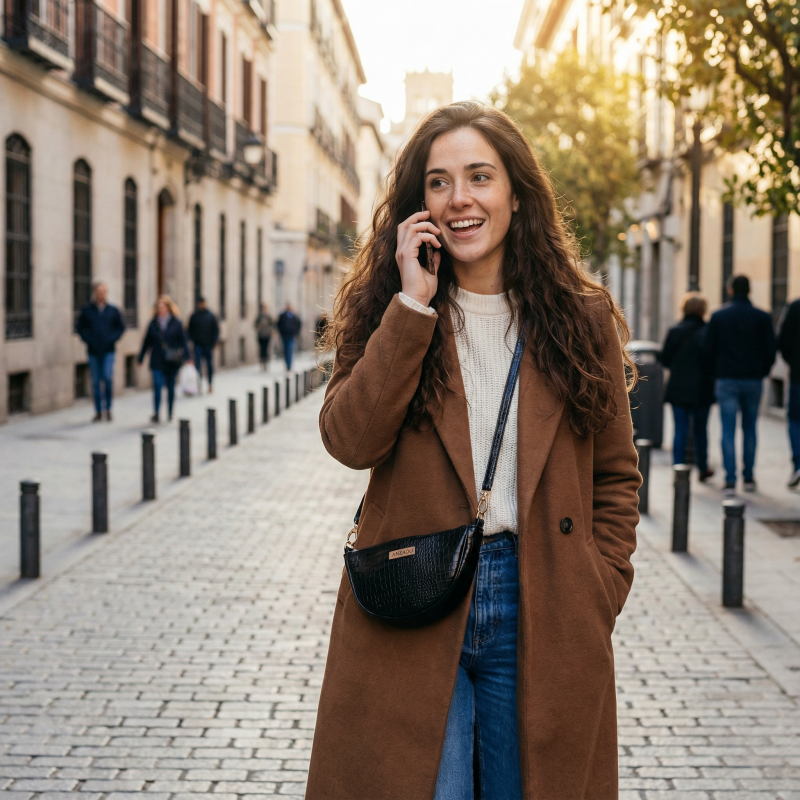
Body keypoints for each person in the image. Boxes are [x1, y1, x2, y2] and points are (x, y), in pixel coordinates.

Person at [306, 102, 640, 799]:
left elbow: (615, 476)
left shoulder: (579, 322)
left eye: (480, 176)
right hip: (413, 598)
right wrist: (412, 307)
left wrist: (597, 586)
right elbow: (349, 439)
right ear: (416, 204)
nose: (460, 199)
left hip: (544, 601)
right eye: (438, 182)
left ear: (516, 195)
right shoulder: (392, 309)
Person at [705, 274, 776, 494]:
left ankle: (730, 478)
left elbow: (708, 349)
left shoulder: (719, 316)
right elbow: (771, 351)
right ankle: (748, 478)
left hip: (726, 379)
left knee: (727, 430)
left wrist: (715, 372)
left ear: (730, 290)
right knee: (750, 428)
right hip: (753, 380)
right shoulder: (763, 317)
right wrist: (761, 371)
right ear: (749, 290)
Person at [659, 292, 715, 481]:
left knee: (680, 429)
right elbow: (712, 361)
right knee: (701, 430)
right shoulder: (708, 332)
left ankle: (678, 468)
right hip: (702, 388)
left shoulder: (675, 331)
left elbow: (665, 359)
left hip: (679, 387)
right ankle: (702, 468)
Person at [75, 281, 125, 422]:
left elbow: (121, 328)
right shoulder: (87, 310)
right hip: (93, 351)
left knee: (108, 378)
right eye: (98, 292)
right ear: (94, 293)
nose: (100, 294)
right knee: (96, 382)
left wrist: (112, 339)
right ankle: (98, 411)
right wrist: (88, 339)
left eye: (103, 291)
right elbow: (79, 328)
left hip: (109, 350)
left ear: (106, 293)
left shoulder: (112, 310)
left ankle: (108, 409)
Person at [137, 295, 189, 423]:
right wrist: (141, 357)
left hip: (172, 360)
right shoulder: (153, 323)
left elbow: (183, 341)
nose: (161, 310)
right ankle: (156, 412)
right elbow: (146, 341)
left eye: (163, 307)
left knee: (171, 387)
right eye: (159, 308)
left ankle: (170, 412)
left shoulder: (176, 323)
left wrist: (188, 357)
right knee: (157, 385)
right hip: (157, 359)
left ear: (169, 308)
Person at [778, 297, 800, 487]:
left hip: (798, 374)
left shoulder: (796, 306)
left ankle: (798, 464)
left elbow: (783, 339)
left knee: (795, 419)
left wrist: (792, 361)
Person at [187, 297, 219, 393]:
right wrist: (193, 339)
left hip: (208, 345)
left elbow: (216, 330)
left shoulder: (210, 316)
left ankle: (210, 383)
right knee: (198, 366)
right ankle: (199, 384)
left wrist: (214, 341)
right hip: (198, 344)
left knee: (209, 365)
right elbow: (189, 330)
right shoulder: (194, 316)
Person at [277, 303, 301, 370]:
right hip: (284, 336)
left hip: (291, 336)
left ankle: (289, 365)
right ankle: (287, 364)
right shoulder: (282, 316)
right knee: (285, 351)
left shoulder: (294, 316)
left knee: (290, 350)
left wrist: (296, 333)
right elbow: (278, 324)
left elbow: (298, 325)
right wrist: (281, 332)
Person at [254, 302, 274, 371]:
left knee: (266, 349)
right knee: (261, 349)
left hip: (267, 335)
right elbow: (255, 324)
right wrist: (258, 327)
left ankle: (265, 362)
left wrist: (269, 330)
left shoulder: (268, 316)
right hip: (260, 335)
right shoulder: (259, 316)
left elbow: (272, 325)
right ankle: (262, 362)